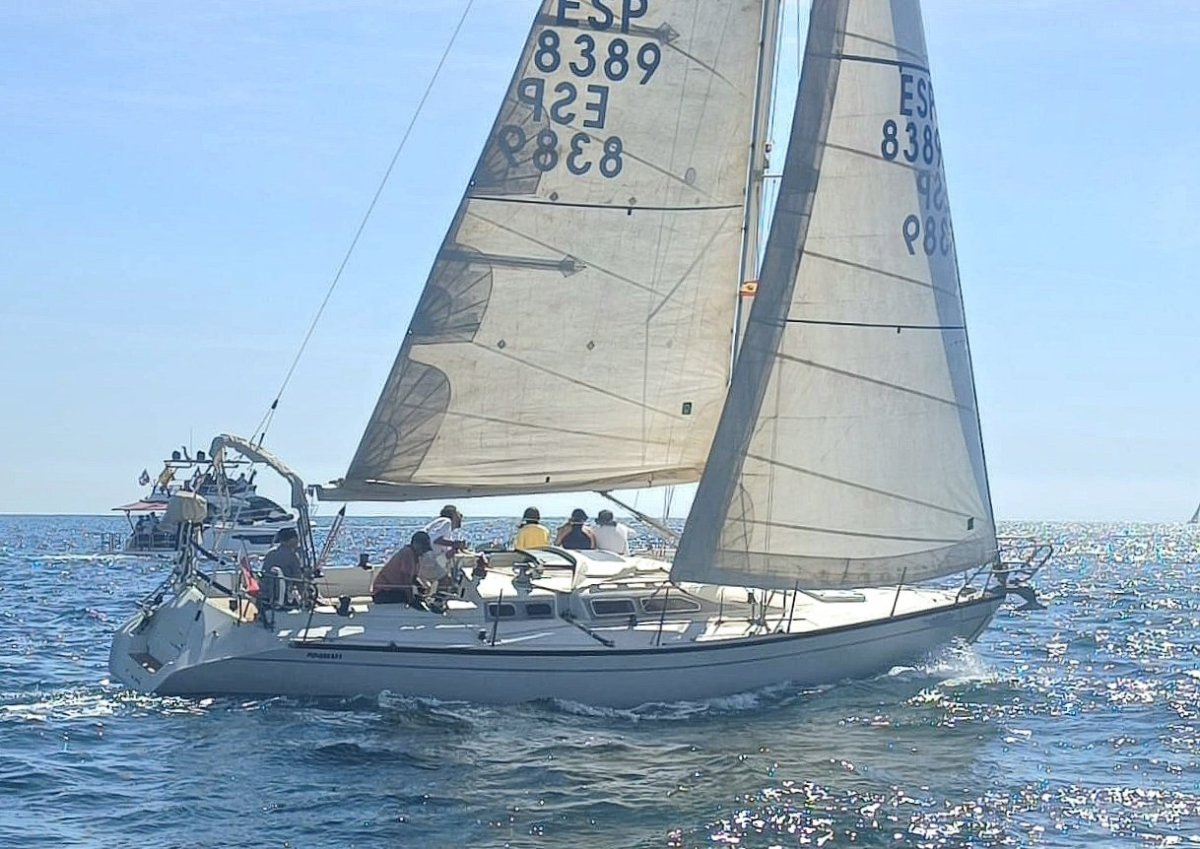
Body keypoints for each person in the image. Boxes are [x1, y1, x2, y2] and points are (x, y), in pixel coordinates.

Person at [372, 531, 432, 605]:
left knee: (418, 597)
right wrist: (411, 600)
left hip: (392, 591)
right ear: (416, 545)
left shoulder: (415, 556)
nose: (424, 552)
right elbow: (406, 579)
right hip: (382, 593)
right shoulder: (408, 553)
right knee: (410, 597)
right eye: (424, 548)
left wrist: (421, 587)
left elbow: (413, 577)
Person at [259, 527, 304, 608]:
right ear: (292, 540)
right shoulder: (292, 556)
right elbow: (298, 581)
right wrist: (304, 598)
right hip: (282, 599)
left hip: (266, 597)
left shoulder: (270, 553)